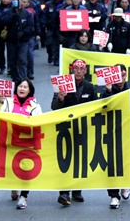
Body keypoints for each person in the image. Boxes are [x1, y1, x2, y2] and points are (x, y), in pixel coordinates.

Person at [51, 59, 98, 206]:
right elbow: (54, 107)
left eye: (81, 68)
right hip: (65, 129)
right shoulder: (62, 84)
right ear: (71, 70)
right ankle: (64, 192)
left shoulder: (90, 87)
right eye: (76, 68)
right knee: (65, 160)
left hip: (82, 128)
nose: (78, 71)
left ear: (85, 71)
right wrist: (60, 99)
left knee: (80, 160)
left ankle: (77, 191)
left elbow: (95, 106)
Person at [0, 79, 42, 209]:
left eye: (25, 87)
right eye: (20, 86)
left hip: (26, 143)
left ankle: (23, 197)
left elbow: (39, 122)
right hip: (10, 141)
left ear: (30, 90)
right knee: (11, 167)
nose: (22, 89)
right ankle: (14, 186)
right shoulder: (8, 102)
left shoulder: (35, 105)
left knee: (26, 170)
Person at [100, 64, 130, 209]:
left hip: (126, 133)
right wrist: (107, 91)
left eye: (122, 75)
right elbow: (102, 106)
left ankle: (125, 185)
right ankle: (113, 196)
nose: (120, 78)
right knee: (111, 164)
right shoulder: (106, 90)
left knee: (125, 161)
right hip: (110, 132)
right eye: (117, 75)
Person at [1, 0, 34, 81]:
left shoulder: (27, 13)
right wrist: (12, 18)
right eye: (14, 0)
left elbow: (30, 26)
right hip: (11, 40)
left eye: (18, 0)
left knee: (22, 60)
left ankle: (23, 78)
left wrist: (23, 32)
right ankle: (15, 77)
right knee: (12, 60)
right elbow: (3, 22)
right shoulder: (7, 12)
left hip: (23, 41)